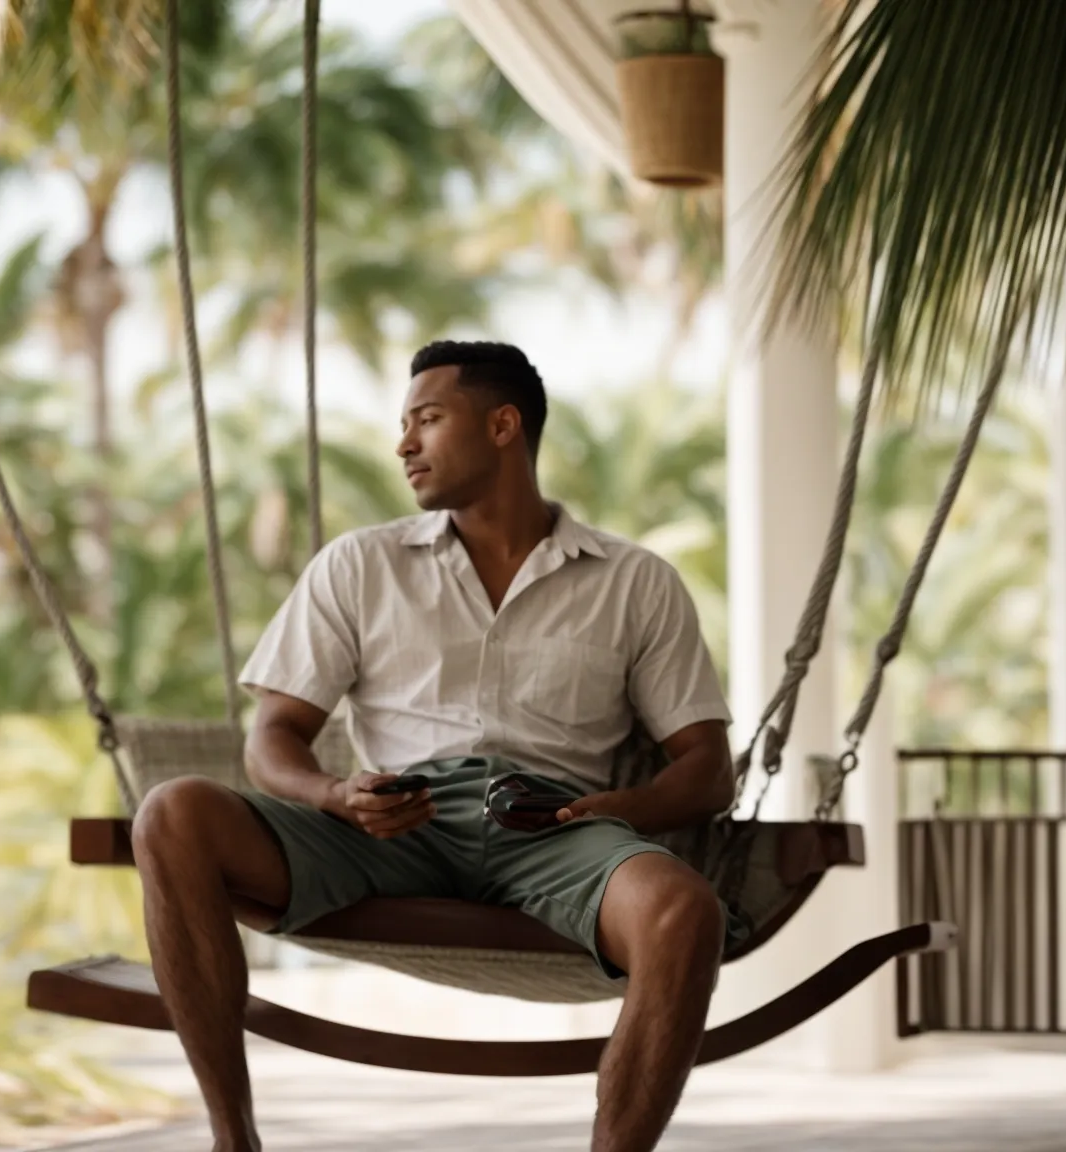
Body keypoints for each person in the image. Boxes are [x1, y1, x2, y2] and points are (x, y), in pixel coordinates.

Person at [132, 340, 736, 1152]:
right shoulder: (359, 565)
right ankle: (232, 1140)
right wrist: (331, 794)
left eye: (426, 419)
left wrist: (620, 808)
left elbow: (707, 768)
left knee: (682, 909)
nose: (403, 443)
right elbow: (273, 736)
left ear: (502, 425)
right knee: (173, 813)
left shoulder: (635, 582)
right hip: (391, 828)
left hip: (554, 829)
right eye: (402, 423)